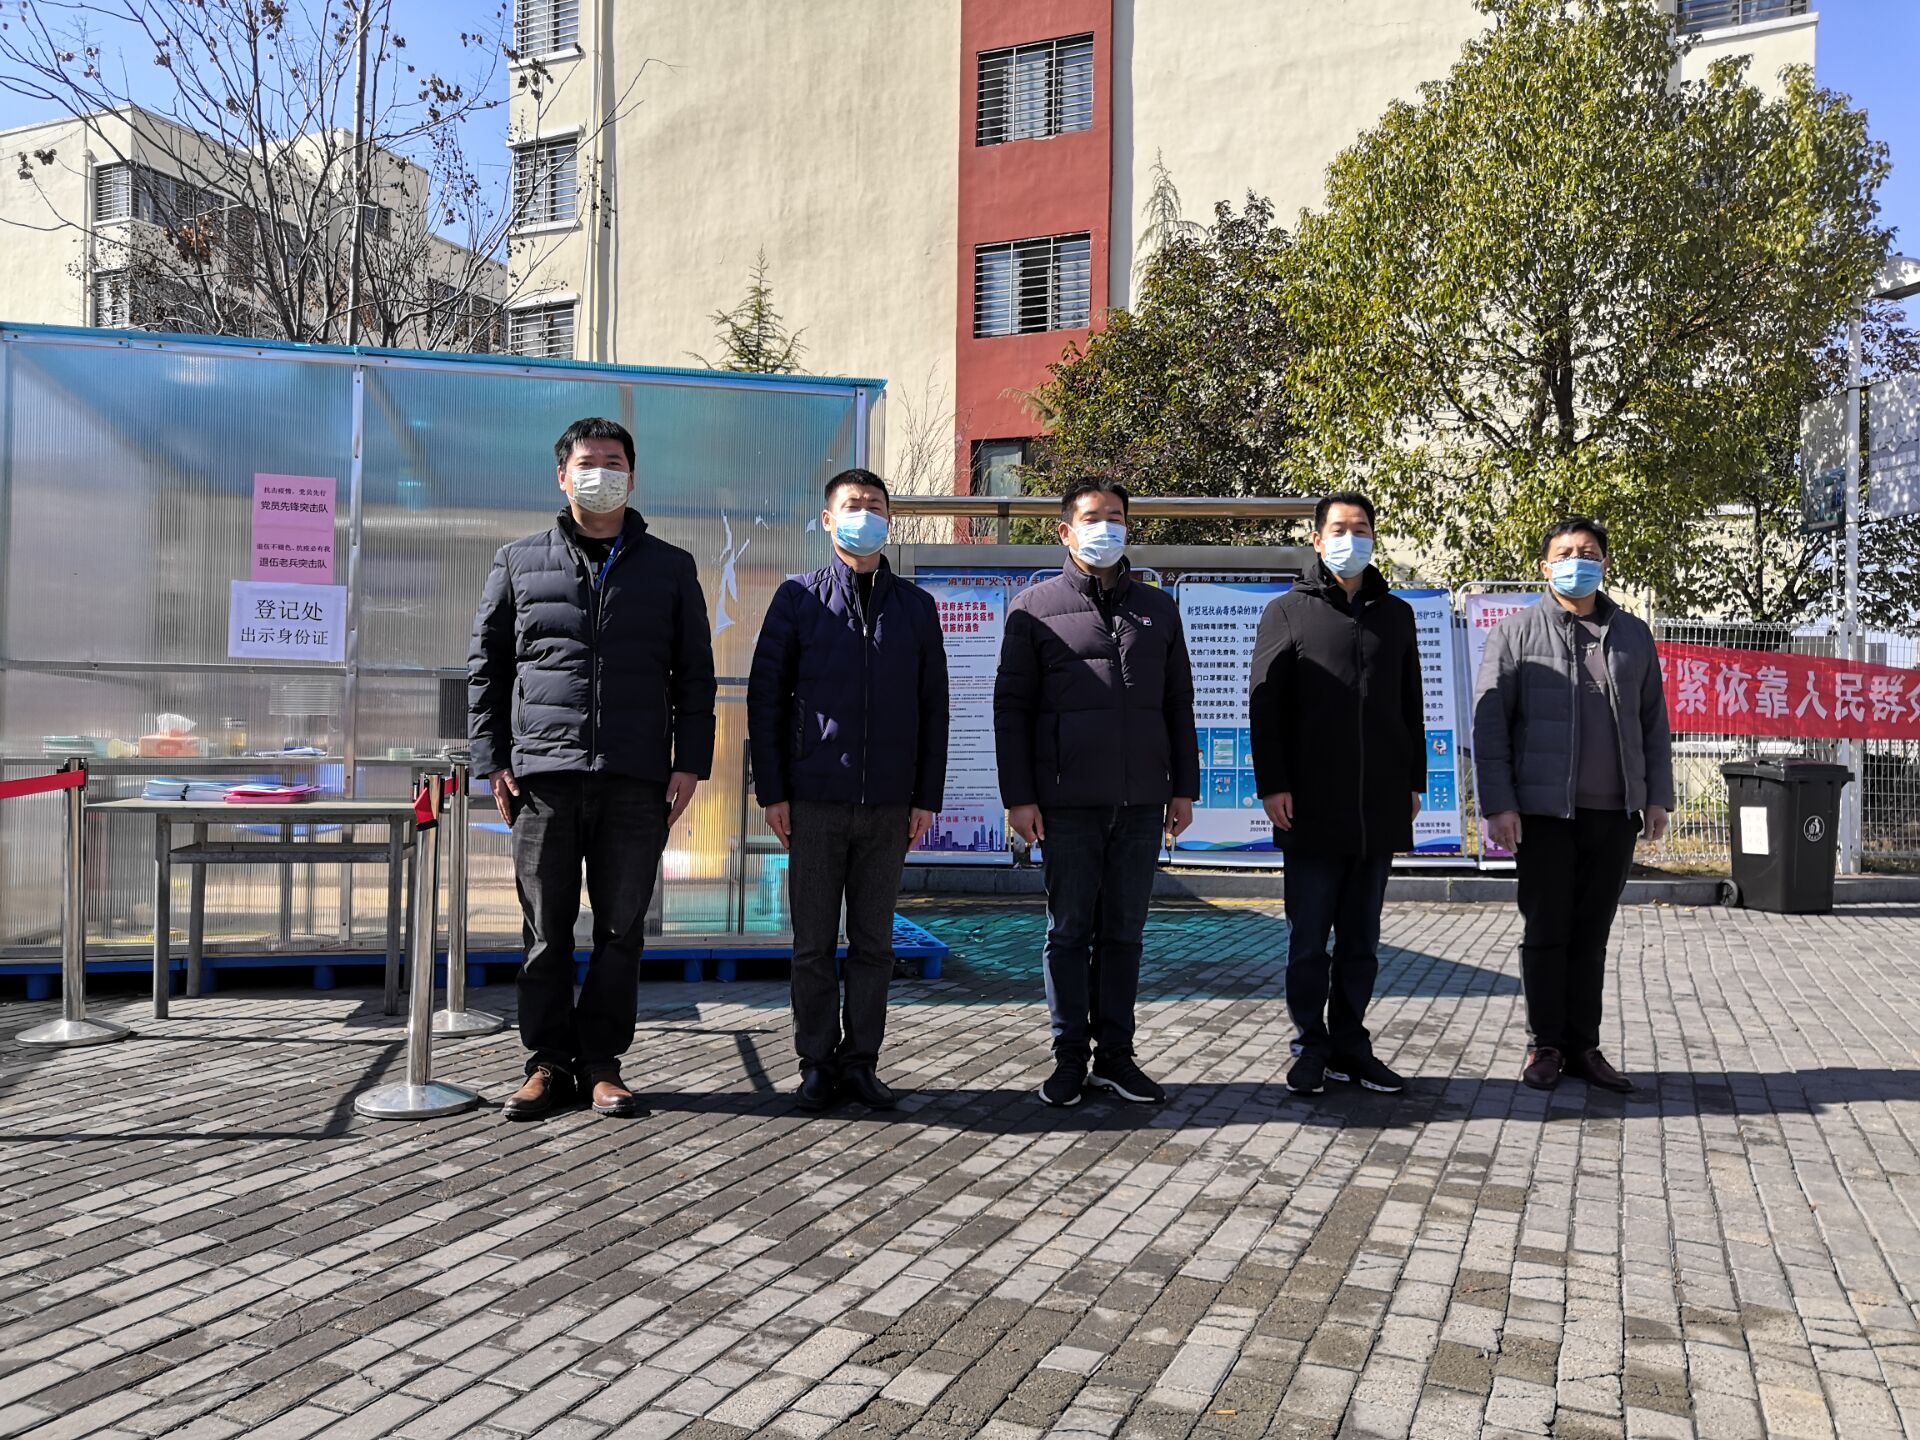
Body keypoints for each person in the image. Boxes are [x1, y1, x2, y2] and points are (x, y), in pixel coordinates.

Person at [469, 417, 717, 1121]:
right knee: (546, 931)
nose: (599, 473)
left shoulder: (671, 567)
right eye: (587, 462)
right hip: (544, 776)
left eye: (613, 462)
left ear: (632, 478)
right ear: (562, 476)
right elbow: (486, 670)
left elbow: (694, 675)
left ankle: (603, 1064)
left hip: (636, 777)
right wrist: (493, 760)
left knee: (620, 929)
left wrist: (689, 764)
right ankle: (547, 1064)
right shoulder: (518, 561)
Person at [747, 468, 949, 1111]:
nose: (866, 515)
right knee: (812, 945)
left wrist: (926, 795)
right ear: (828, 520)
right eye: (853, 505)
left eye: (876, 506)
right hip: (814, 799)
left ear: (890, 520)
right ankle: (815, 1062)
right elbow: (766, 701)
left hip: (889, 804)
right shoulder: (796, 598)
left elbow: (934, 707)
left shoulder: (916, 607)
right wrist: (773, 792)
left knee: (873, 945)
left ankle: (861, 1062)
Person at [994, 477, 1198, 1109]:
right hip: (1066, 802)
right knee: (1069, 932)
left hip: (1141, 802)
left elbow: (1178, 704)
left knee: (1124, 934)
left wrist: (1183, 789)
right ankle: (1068, 1059)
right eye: (1091, 517)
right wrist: (1019, 796)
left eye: (1116, 516)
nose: (1105, 527)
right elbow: (1012, 710)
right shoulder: (1032, 608)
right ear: (1065, 530)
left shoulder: (1158, 609)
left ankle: (1116, 1057)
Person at [1471, 516, 1672, 1094]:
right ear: (1544, 566)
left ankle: (1584, 1046)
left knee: (1592, 935)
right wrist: (1499, 804)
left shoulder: (1632, 634)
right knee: (1547, 931)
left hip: (1615, 815)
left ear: (1604, 563)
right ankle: (1545, 1046)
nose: (1576, 561)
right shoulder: (1515, 633)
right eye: (1564, 553)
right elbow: (1491, 727)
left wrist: (1657, 797)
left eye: (1587, 552)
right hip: (1543, 815)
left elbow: (1654, 722)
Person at [1249, 491, 1425, 1098]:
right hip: (1310, 805)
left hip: (1379, 802)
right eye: (1340, 529)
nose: (1353, 539)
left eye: (1362, 528)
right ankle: (1310, 1046)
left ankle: (1351, 1045)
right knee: (1308, 940)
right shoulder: (1287, 611)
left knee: (1361, 940)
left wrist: (1415, 779)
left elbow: (1411, 703)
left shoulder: (1396, 615)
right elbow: (1266, 707)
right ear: (1318, 540)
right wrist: (1273, 784)